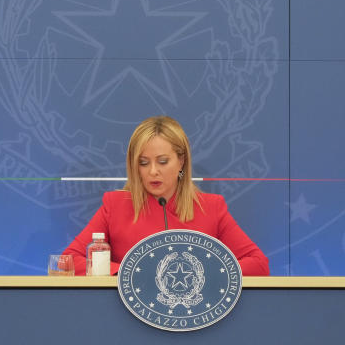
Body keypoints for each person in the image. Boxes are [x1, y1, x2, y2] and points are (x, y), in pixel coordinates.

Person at [62, 116, 269, 276]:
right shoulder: (115, 205)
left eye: (162, 162)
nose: (153, 171)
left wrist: (201, 274)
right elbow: (68, 261)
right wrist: (130, 273)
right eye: (143, 162)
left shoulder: (211, 207)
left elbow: (259, 264)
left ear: (181, 161)